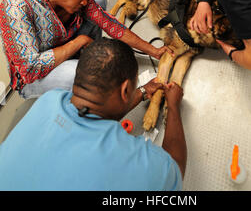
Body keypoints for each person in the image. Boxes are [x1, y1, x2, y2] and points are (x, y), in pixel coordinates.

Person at [0, 38, 186, 191]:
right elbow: (175, 168)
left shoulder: (49, 99)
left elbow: (96, 107)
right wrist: (173, 106)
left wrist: (143, 91)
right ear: (124, 90)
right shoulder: (136, 161)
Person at [0, 0, 172, 99]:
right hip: (33, 77)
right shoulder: (16, 7)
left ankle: (91, 60)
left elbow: (111, 25)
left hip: (63, 47)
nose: (84, 1)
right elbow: (29, 71)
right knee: (75, 75)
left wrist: (154, 51)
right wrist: (79, 42)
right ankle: (84, 77)